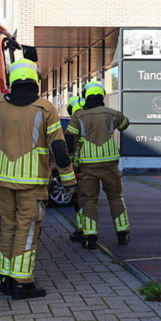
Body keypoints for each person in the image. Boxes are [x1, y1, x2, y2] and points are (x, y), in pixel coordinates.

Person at [0, 59, 76, 299]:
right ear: (35, 80)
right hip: (31, 184)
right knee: (28, 229)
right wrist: (69, 180)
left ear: (12, 80)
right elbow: (59, 147)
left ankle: (5, 277)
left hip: (3, 181)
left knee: (9, 227)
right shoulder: (46, 108)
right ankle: (23, 282)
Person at [67, 81, 131, 249]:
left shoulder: (78, 116)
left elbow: (68, 139)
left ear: (85, 96)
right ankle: (122, 233)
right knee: (116, 197)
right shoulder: (113, 113)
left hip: (88, 166)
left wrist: (71, 158)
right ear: (102, 95)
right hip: (110, 165)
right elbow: (125, 125)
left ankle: (90, 237)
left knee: (89, 200)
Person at [65, 95, 87, 243]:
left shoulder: (76, 121)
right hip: (92, 166)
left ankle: (82, 230)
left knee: (79, 200)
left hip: (81, 167)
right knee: (87, 200)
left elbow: (70, 141)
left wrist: (70, 160)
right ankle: (86, 229)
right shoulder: (91, 120)